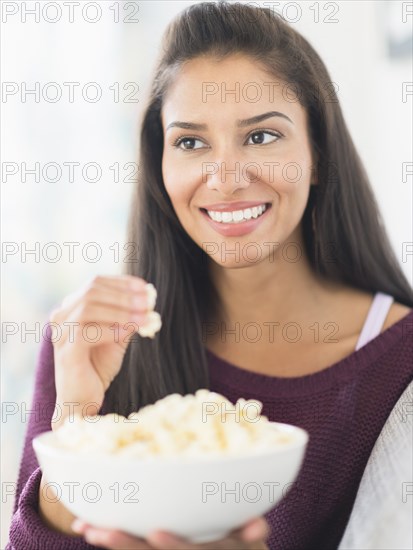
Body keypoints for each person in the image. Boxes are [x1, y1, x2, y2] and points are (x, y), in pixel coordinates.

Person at [7, 3, 413, 549]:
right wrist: (76, 419)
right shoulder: (92, 339)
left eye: (262, 136)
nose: (224, 179)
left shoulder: (399, 361)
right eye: (191, 143)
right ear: (160, 165)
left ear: (318, 153)